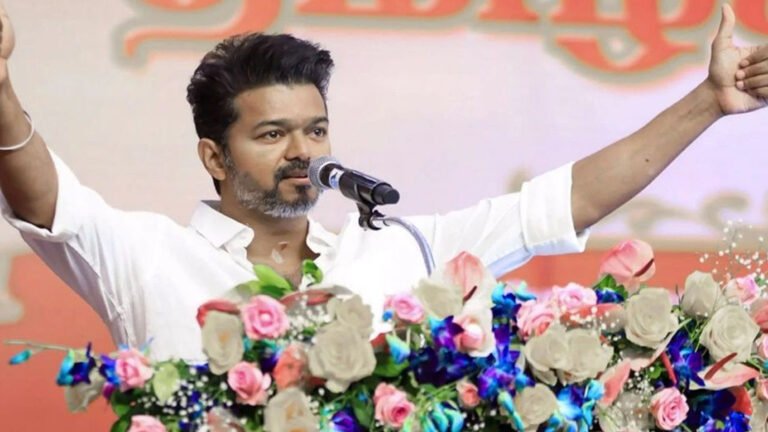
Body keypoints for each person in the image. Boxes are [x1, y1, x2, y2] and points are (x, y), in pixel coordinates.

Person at [0, 5, 766, 361]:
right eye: (271, 134)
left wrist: (708, 101)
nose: (301, 152)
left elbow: (569, 201)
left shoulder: (400, 248)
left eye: (316, 130)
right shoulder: (147, 255)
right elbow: (45, 198)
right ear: (215, 156)